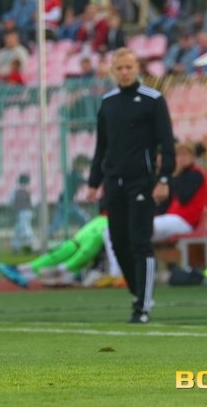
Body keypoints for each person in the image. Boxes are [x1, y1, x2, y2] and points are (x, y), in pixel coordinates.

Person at [87, 47, 175, 324]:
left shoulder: (153, 99)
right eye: (120, 68)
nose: (125, 72)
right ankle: (139, 291)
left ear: (137, 68)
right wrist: (94, 182)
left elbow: (166, 142)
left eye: (129, 67)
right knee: (118, 242)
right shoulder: (108, 102)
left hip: (142, 182)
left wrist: (163, 178)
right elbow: (102, 146)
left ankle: (142, 307)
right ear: (112, 71)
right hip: (114, 182)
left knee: (140, 241)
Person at [0, 214, 109, 288]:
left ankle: (23, 271)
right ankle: (22, 271)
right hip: (98, 231)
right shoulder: (103, 225)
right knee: (65, 252)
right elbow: (86, 252)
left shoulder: (101, 223)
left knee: (65, 252)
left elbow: (86, 252)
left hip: (95, 231)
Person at [152, 142, 207, 241]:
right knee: (143, 229)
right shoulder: (180, 175)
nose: (181, 158)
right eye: (178, 155)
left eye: (185, 154)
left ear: (192, 157)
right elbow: (165, 204)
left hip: (186, 221)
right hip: (174, 218)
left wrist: (176, 174)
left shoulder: (196, 173)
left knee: (146, 227)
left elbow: (184, 196)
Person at [49, 155, 91, 237]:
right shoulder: (75, 174)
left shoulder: (74, 173)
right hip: (67, 201)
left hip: (67, 200)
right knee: (83, 218)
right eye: (84, 165)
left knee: (60, 219)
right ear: (79, 165)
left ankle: (50, 232)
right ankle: (50, 232)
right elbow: (85, 181)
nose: (85, 168)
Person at [9, 173, 35, 254]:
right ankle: (18, 246)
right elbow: (33, 202)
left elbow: (10, 202)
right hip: (26, 212)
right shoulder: (27, 191)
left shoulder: (16, 191)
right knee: (21, 229)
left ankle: (30, 245)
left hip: (22, 212)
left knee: (25, 229)